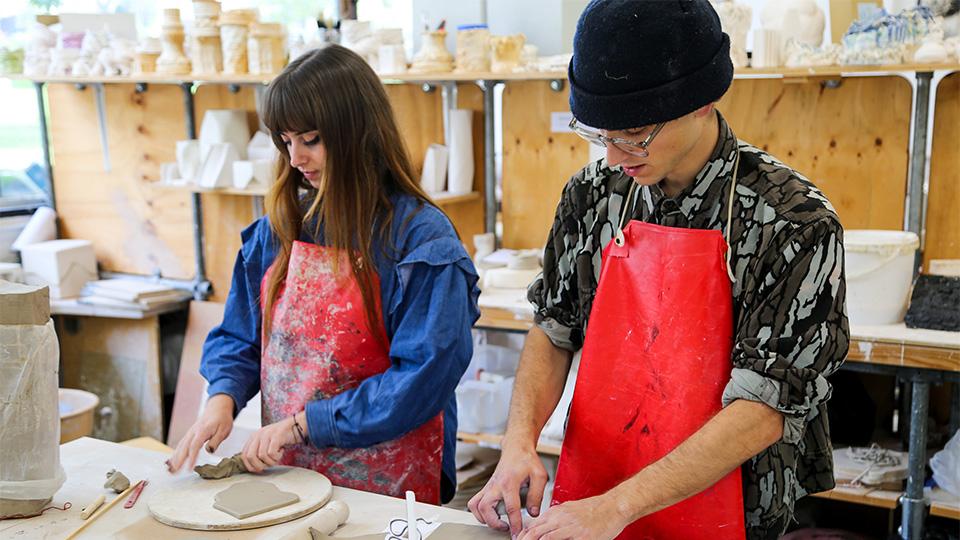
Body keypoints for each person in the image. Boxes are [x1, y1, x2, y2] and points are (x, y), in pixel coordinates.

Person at [468, 1, 849, 539]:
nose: (616, 157)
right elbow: (553, 328)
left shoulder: (792, 221)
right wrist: (518, 444)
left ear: (703, 102)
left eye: (636, 133)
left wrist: (617, 508)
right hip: (599, 488)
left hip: (731, 507)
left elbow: (764, 406)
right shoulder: (593, 194)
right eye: (601, 135)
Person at [167, 45, 481, 505]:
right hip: (292, 475)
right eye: (286, 141)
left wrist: (304, 424)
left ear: (359, 132)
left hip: (389, 485)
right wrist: (223, 399)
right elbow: (239, 335)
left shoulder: (421, 242)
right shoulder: (280, 228)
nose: (295, 159)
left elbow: (420, 378)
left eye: (310, 139)